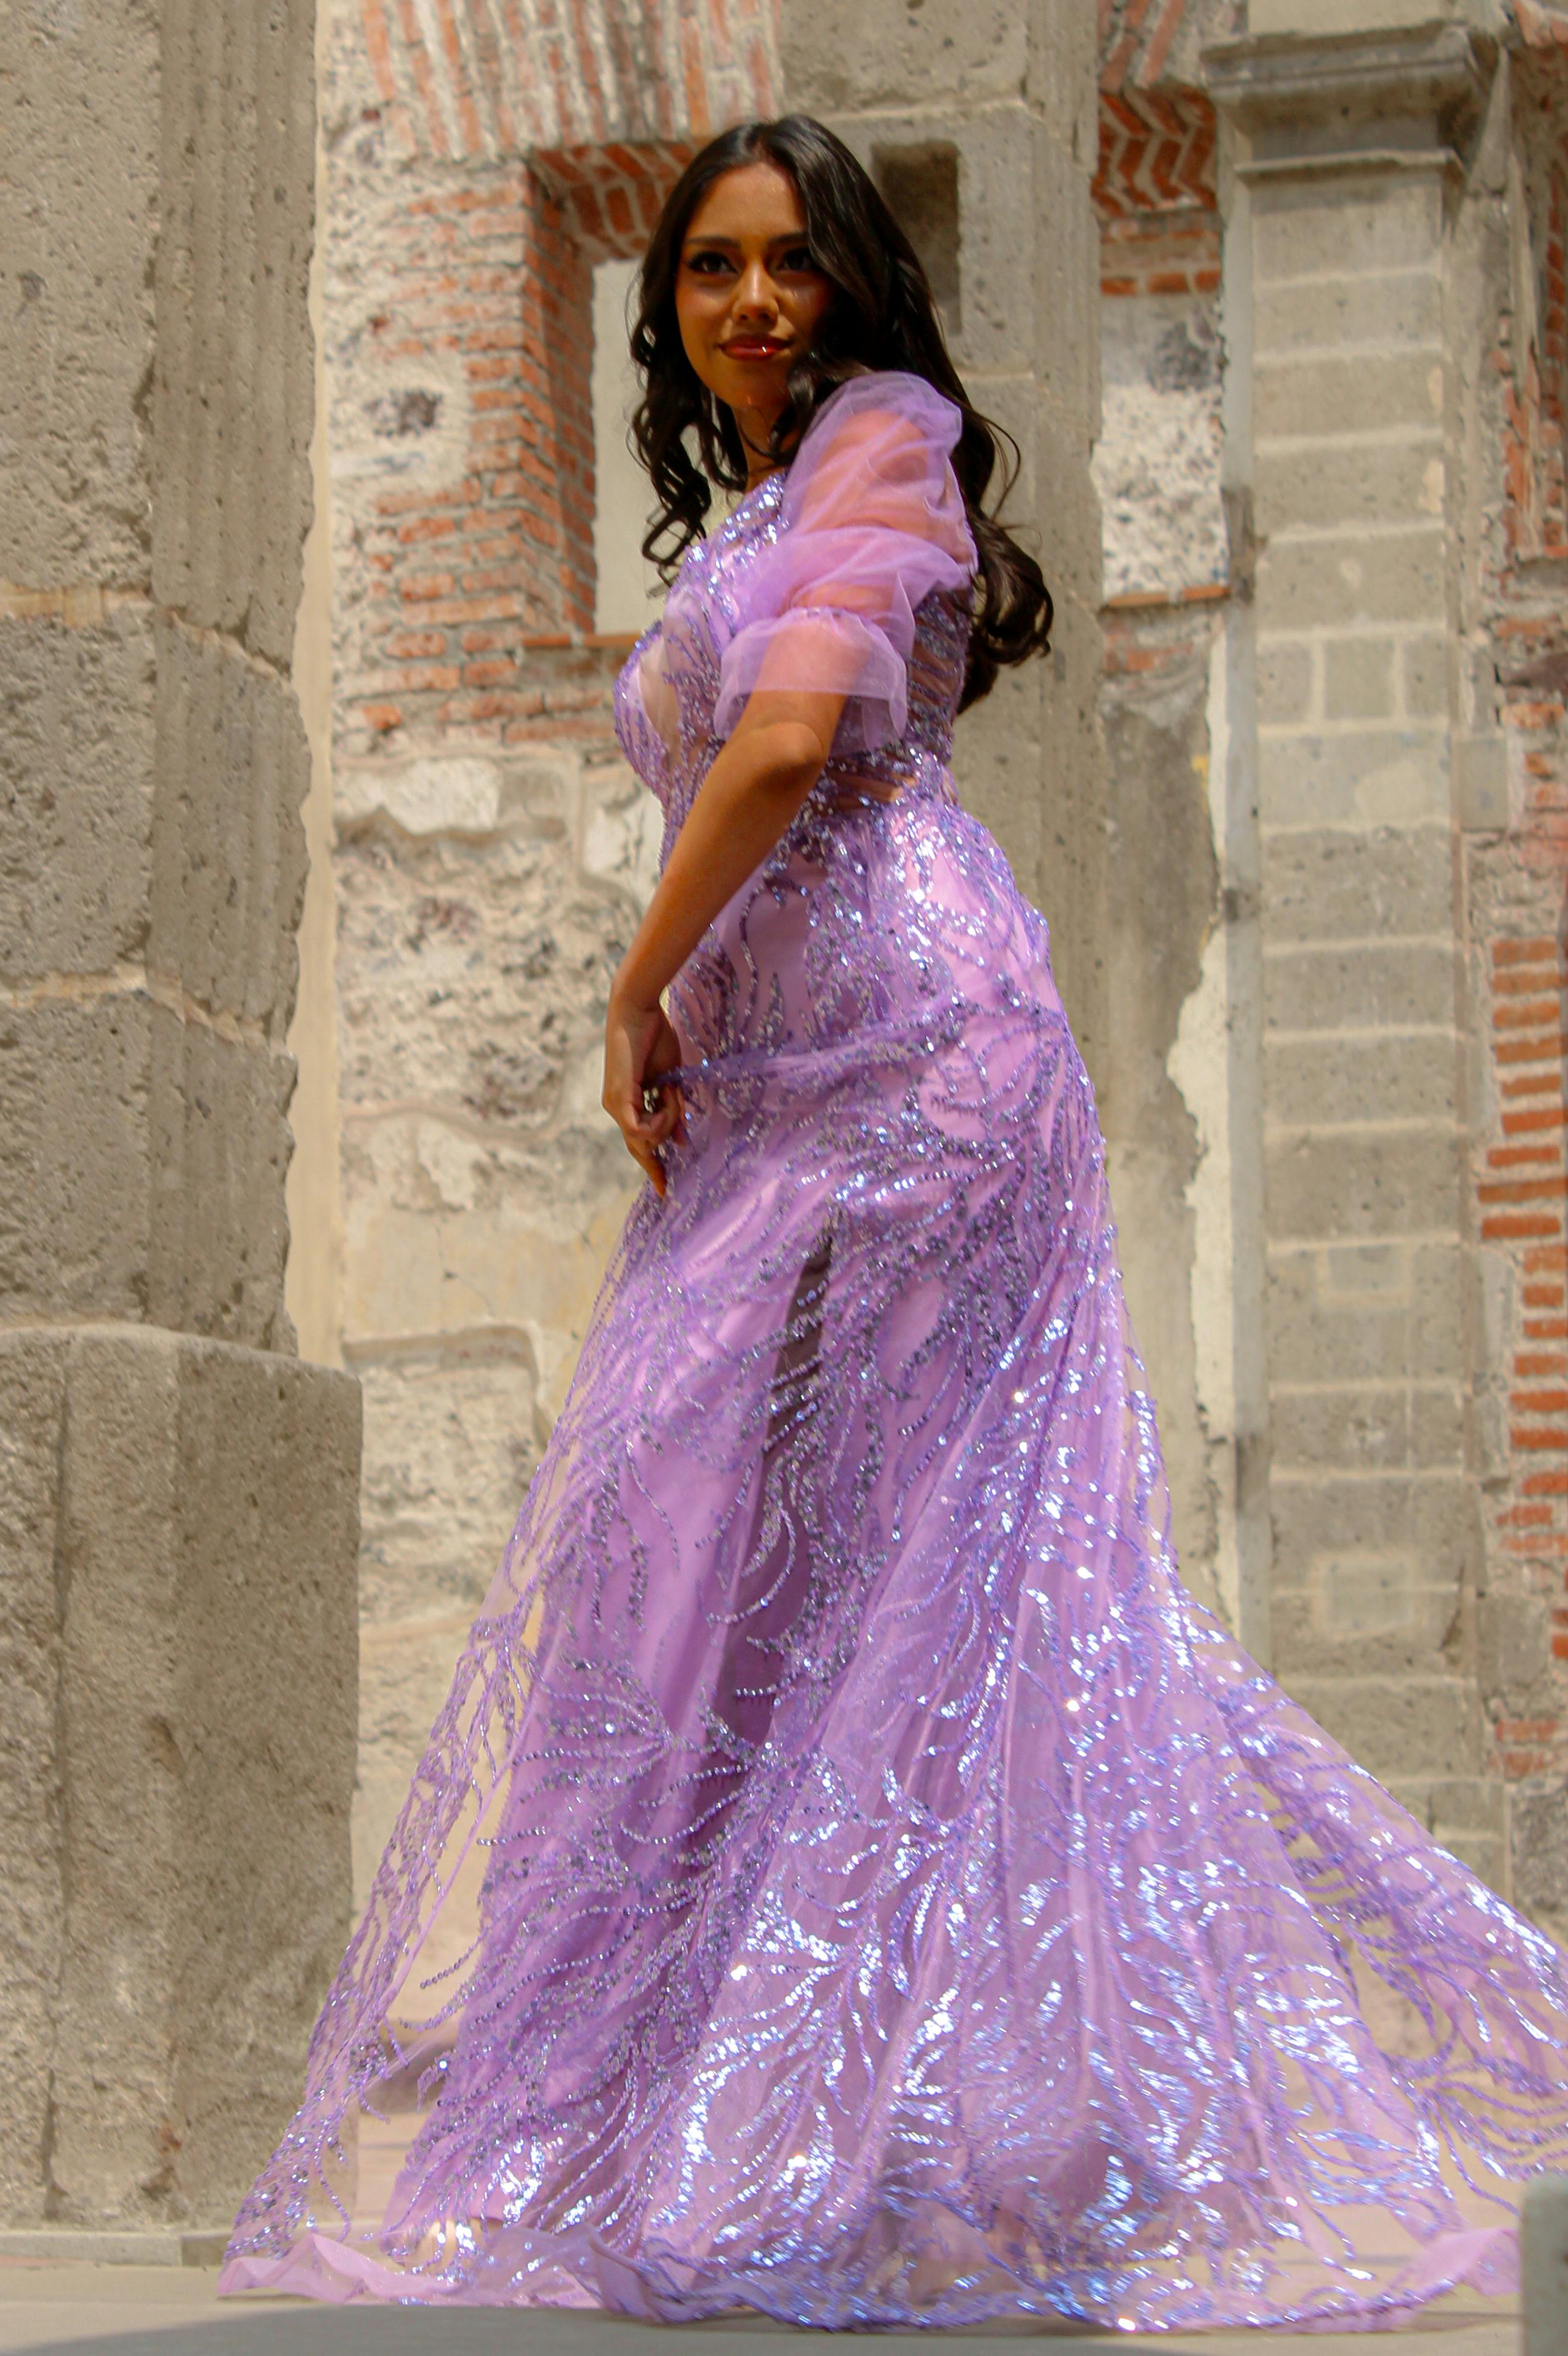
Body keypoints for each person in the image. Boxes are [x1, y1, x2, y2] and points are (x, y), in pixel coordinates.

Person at [219, 117, 1568, 2327]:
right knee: (742, 1573)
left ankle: (871, 2134)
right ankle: (807, 2123)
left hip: (922, 1063)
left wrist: (631, 981)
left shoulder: (886, 440)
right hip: (770, 1090)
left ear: (855, 281)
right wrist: (690, 1019)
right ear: (669, 305)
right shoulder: (752, 499)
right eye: (708, 270)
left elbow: (778, 747)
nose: (751, 302)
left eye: (790, 264)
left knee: (916, 1579)